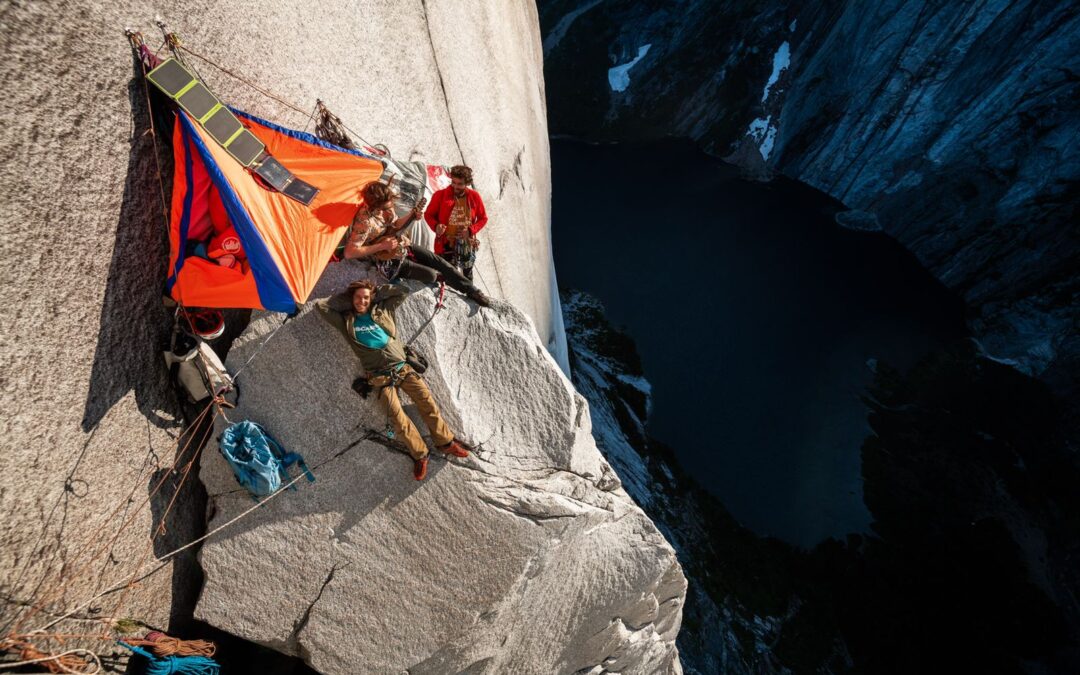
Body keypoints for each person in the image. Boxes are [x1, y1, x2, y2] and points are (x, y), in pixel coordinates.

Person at [316, 279, 471, 480]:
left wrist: (377, 290)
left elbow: (403, 291)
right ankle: (420, 454)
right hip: (380, 378)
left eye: (365, 297)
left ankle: (445, 442)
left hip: (403, 369)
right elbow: (321, 308)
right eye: (357, 297)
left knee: (427, 403)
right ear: (352, 299)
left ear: (371, 298)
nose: (361, 301)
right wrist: (341, 294)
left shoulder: (383, 310)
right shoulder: (347, 322)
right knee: (397, 418)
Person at [344, 181, 490, 307]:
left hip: (402, 245)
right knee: (432, 275)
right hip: (386, 260)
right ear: (375, 206)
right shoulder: (364, 221)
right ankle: (448, 282)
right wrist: (382, 246)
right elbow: (350, 252)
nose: (389, 209)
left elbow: (395, 224)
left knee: (439, 262)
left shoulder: (386, 207)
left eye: (390, 206)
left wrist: (412, 215)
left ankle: (472, 291)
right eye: (384, 208)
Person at [424, 165, 487, 282]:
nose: (456, 186)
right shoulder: (440, 195)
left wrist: (470, 231)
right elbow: (428, 215)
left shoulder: (474, 197)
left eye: (460, 184)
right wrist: (436, 226)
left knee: (467, 278)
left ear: (467, 183)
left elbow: (483, 218)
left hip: (467, 244)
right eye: (454, 182)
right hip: (445, 244)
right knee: (449, 277)